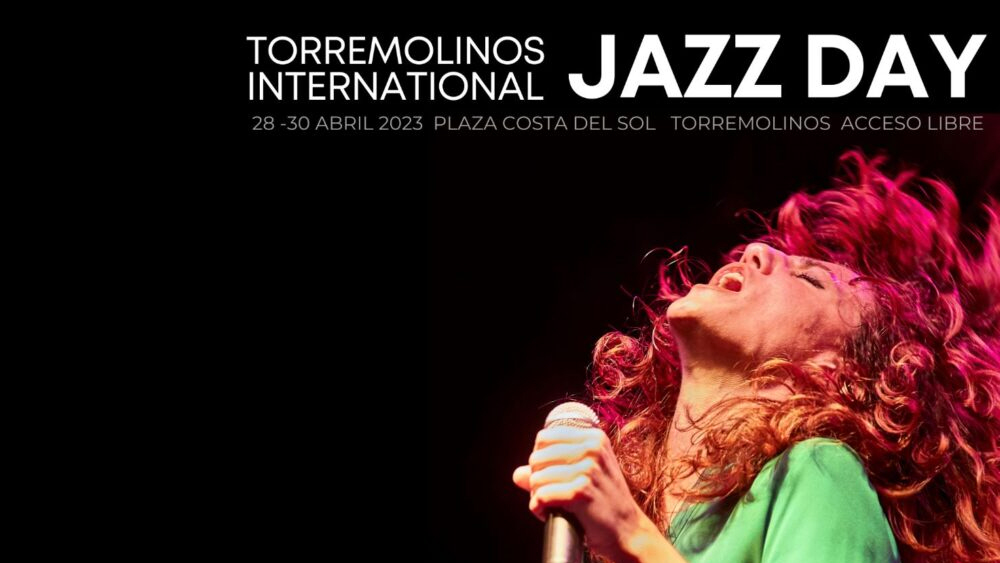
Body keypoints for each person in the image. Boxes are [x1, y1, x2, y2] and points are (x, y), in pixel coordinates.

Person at [512, 151, 1000, 563]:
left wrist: (630, 537)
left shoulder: (820, 471)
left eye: (809, 279)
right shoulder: (641, 523)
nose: (756, 252)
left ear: (844, 376)